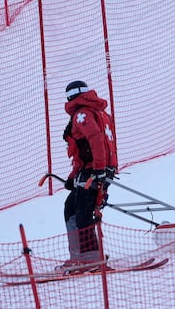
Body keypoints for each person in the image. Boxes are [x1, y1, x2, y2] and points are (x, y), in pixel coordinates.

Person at [59, 81, 118, 272]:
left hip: (94, 171)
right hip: (100, 169)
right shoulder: (100, 112)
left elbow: (95, 139)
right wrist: (73, 176)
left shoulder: (81, 114)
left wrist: (98, 169)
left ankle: (88, 259)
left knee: (80, 212)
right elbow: (85, 149)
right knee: (72, 208)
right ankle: (85, 255)